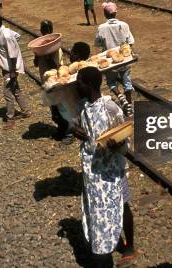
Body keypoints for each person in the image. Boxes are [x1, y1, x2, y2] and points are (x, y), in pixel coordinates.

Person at [76, 67, 137, 268]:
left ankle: (129, 246)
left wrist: (117, 144)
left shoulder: (111, 108)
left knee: (122, 204)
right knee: (99, 209)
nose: (77, 85)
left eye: (79, 82)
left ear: (89, 85)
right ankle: (102, 243)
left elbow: (125, 136)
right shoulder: (84, 107)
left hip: (113, 172)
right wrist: (77, 131)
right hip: (94, 174)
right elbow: (85, 129)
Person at [33, 20, 73, 144]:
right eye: (43, 30)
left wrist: (47, 57)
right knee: (53, 108)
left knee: (62, 107)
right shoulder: (40, 47)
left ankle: (70, 132)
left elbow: (56, 67)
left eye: (46, 30)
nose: (44, 32)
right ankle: (62, 129)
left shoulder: (55, 47)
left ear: (51, 31)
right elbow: (35, 64)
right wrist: (37, 55)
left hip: (56, 80)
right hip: (46, 82)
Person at [0, 13, 31, 128]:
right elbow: (17, 36)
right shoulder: (6, 32)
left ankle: (10, 118)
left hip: (10, 69)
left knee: (7, 93)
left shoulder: (5, 36)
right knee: (16, 90)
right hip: (8, 68)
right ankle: (26, 111)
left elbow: (12, 55)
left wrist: (12, 71)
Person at [94, 2, 135, 117]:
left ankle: (121, 99)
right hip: (124, 59)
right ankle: (129, 106)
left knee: (111, 82)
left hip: (111, 62)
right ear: (115, 13)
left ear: (105, 14)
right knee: (127, 82)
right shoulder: (124, 25)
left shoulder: (101, 28)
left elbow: (97, 43)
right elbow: (131, 41)